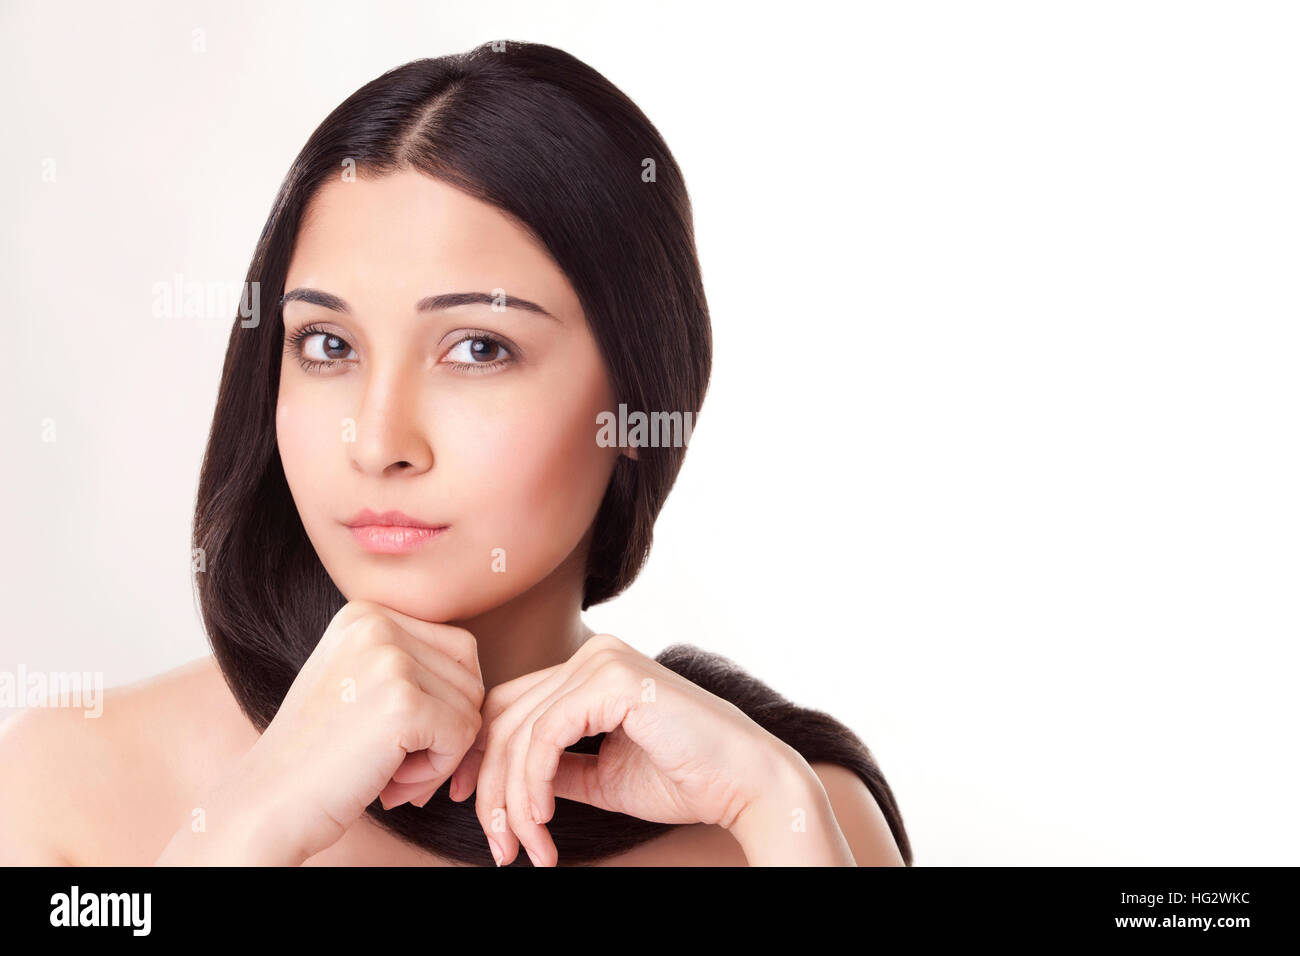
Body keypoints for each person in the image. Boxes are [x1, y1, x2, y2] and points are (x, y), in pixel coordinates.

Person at [0, 40, 911, 867]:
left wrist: (778, 807)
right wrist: (246, 830)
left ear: (638, 407)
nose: (379, 441)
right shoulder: (67, 785)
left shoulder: (789, 818)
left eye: (479, 348)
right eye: (327, 346)